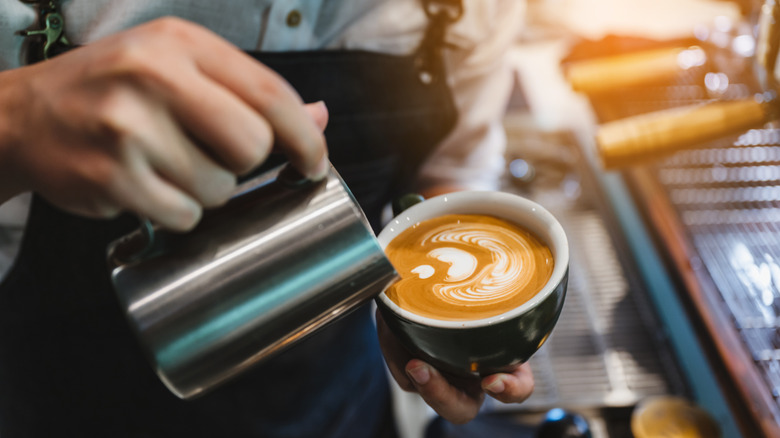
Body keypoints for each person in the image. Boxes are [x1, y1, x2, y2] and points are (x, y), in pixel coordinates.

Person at [0, 1, 533, 436]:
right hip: (62, 402)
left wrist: (440, 320)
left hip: (335, 406)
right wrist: (16, 121)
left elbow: (449, 166)